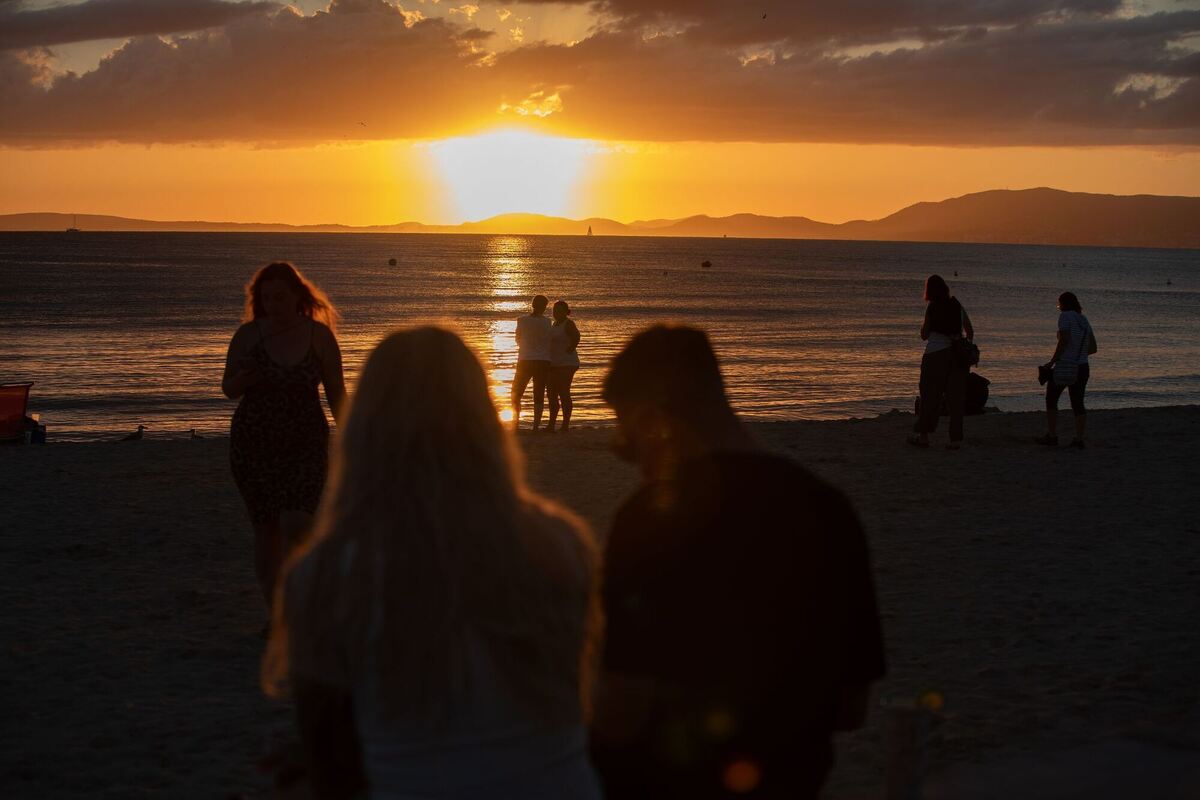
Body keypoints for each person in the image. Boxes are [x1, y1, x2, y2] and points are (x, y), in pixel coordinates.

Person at [262, 327, 603, 800]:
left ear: (366, 427)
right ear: (482, 418)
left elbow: (333, 766)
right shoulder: (560, 543)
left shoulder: (325, 573)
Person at [590, 325, 886, 800]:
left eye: (627, 438)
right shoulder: (828, 507)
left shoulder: (648, 519)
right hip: (792, 782)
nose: (635, 461)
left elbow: (623, 709)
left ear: (656, 420)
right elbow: (851, 708)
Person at [222, 261, 345, 609]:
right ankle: (277, 612)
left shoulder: (318, 336)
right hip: (254, 442)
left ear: (297, 296)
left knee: (298, 523)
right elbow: (228, 388)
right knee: (267, 530)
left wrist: (352, 436)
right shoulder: (248, 335)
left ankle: (301, 600)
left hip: (305, 440)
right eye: (266, 298)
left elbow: (337, 392)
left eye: (280, 297)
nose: (273, 304)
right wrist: (245, 379)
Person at [908, 274, 975, 450]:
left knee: (929, 396)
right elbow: (970, 330)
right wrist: (963, 343)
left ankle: (924, 437)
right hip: (957, 357)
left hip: (935, 355)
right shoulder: (957, 305)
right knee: (956, 400)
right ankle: (955, 440)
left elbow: (924, 335)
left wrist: (924, 328)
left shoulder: (932, 307)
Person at [1037, 291, 1097, 448]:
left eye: (1059, 304)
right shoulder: (1084, 320)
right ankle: (1079, 439)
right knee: (1078, 403)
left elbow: (1064, 340)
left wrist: (1052, 361)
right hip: (1083, 367)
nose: (1059, 307)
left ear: (1063, 304)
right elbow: (1093, 348)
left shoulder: (1065, 316)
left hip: (1065, 366)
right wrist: (1079, 354)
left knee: (1051, 398)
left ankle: (1052, 436)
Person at [512, 295, 552, 431]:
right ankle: (535, 426)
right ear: (545, 307)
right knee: (538, 393)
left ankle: (516, 423)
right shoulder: (548, 322)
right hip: (543, 360)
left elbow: (517, 339)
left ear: (532, 305)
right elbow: (549, 341)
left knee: (516, 393)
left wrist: (525, 347)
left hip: (525, 360)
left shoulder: (521, 320)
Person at [548, 300, 581, 433]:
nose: (556, 313)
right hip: (553, 363)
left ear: (565, 312)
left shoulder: (568, 324)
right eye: (554, 310)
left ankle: (565, 425)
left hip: (567, 363)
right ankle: (551, 424)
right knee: (551, 394)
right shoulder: (553, 324)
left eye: (559, 310)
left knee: (563, 392)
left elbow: (577, 336)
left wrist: (571, 347)